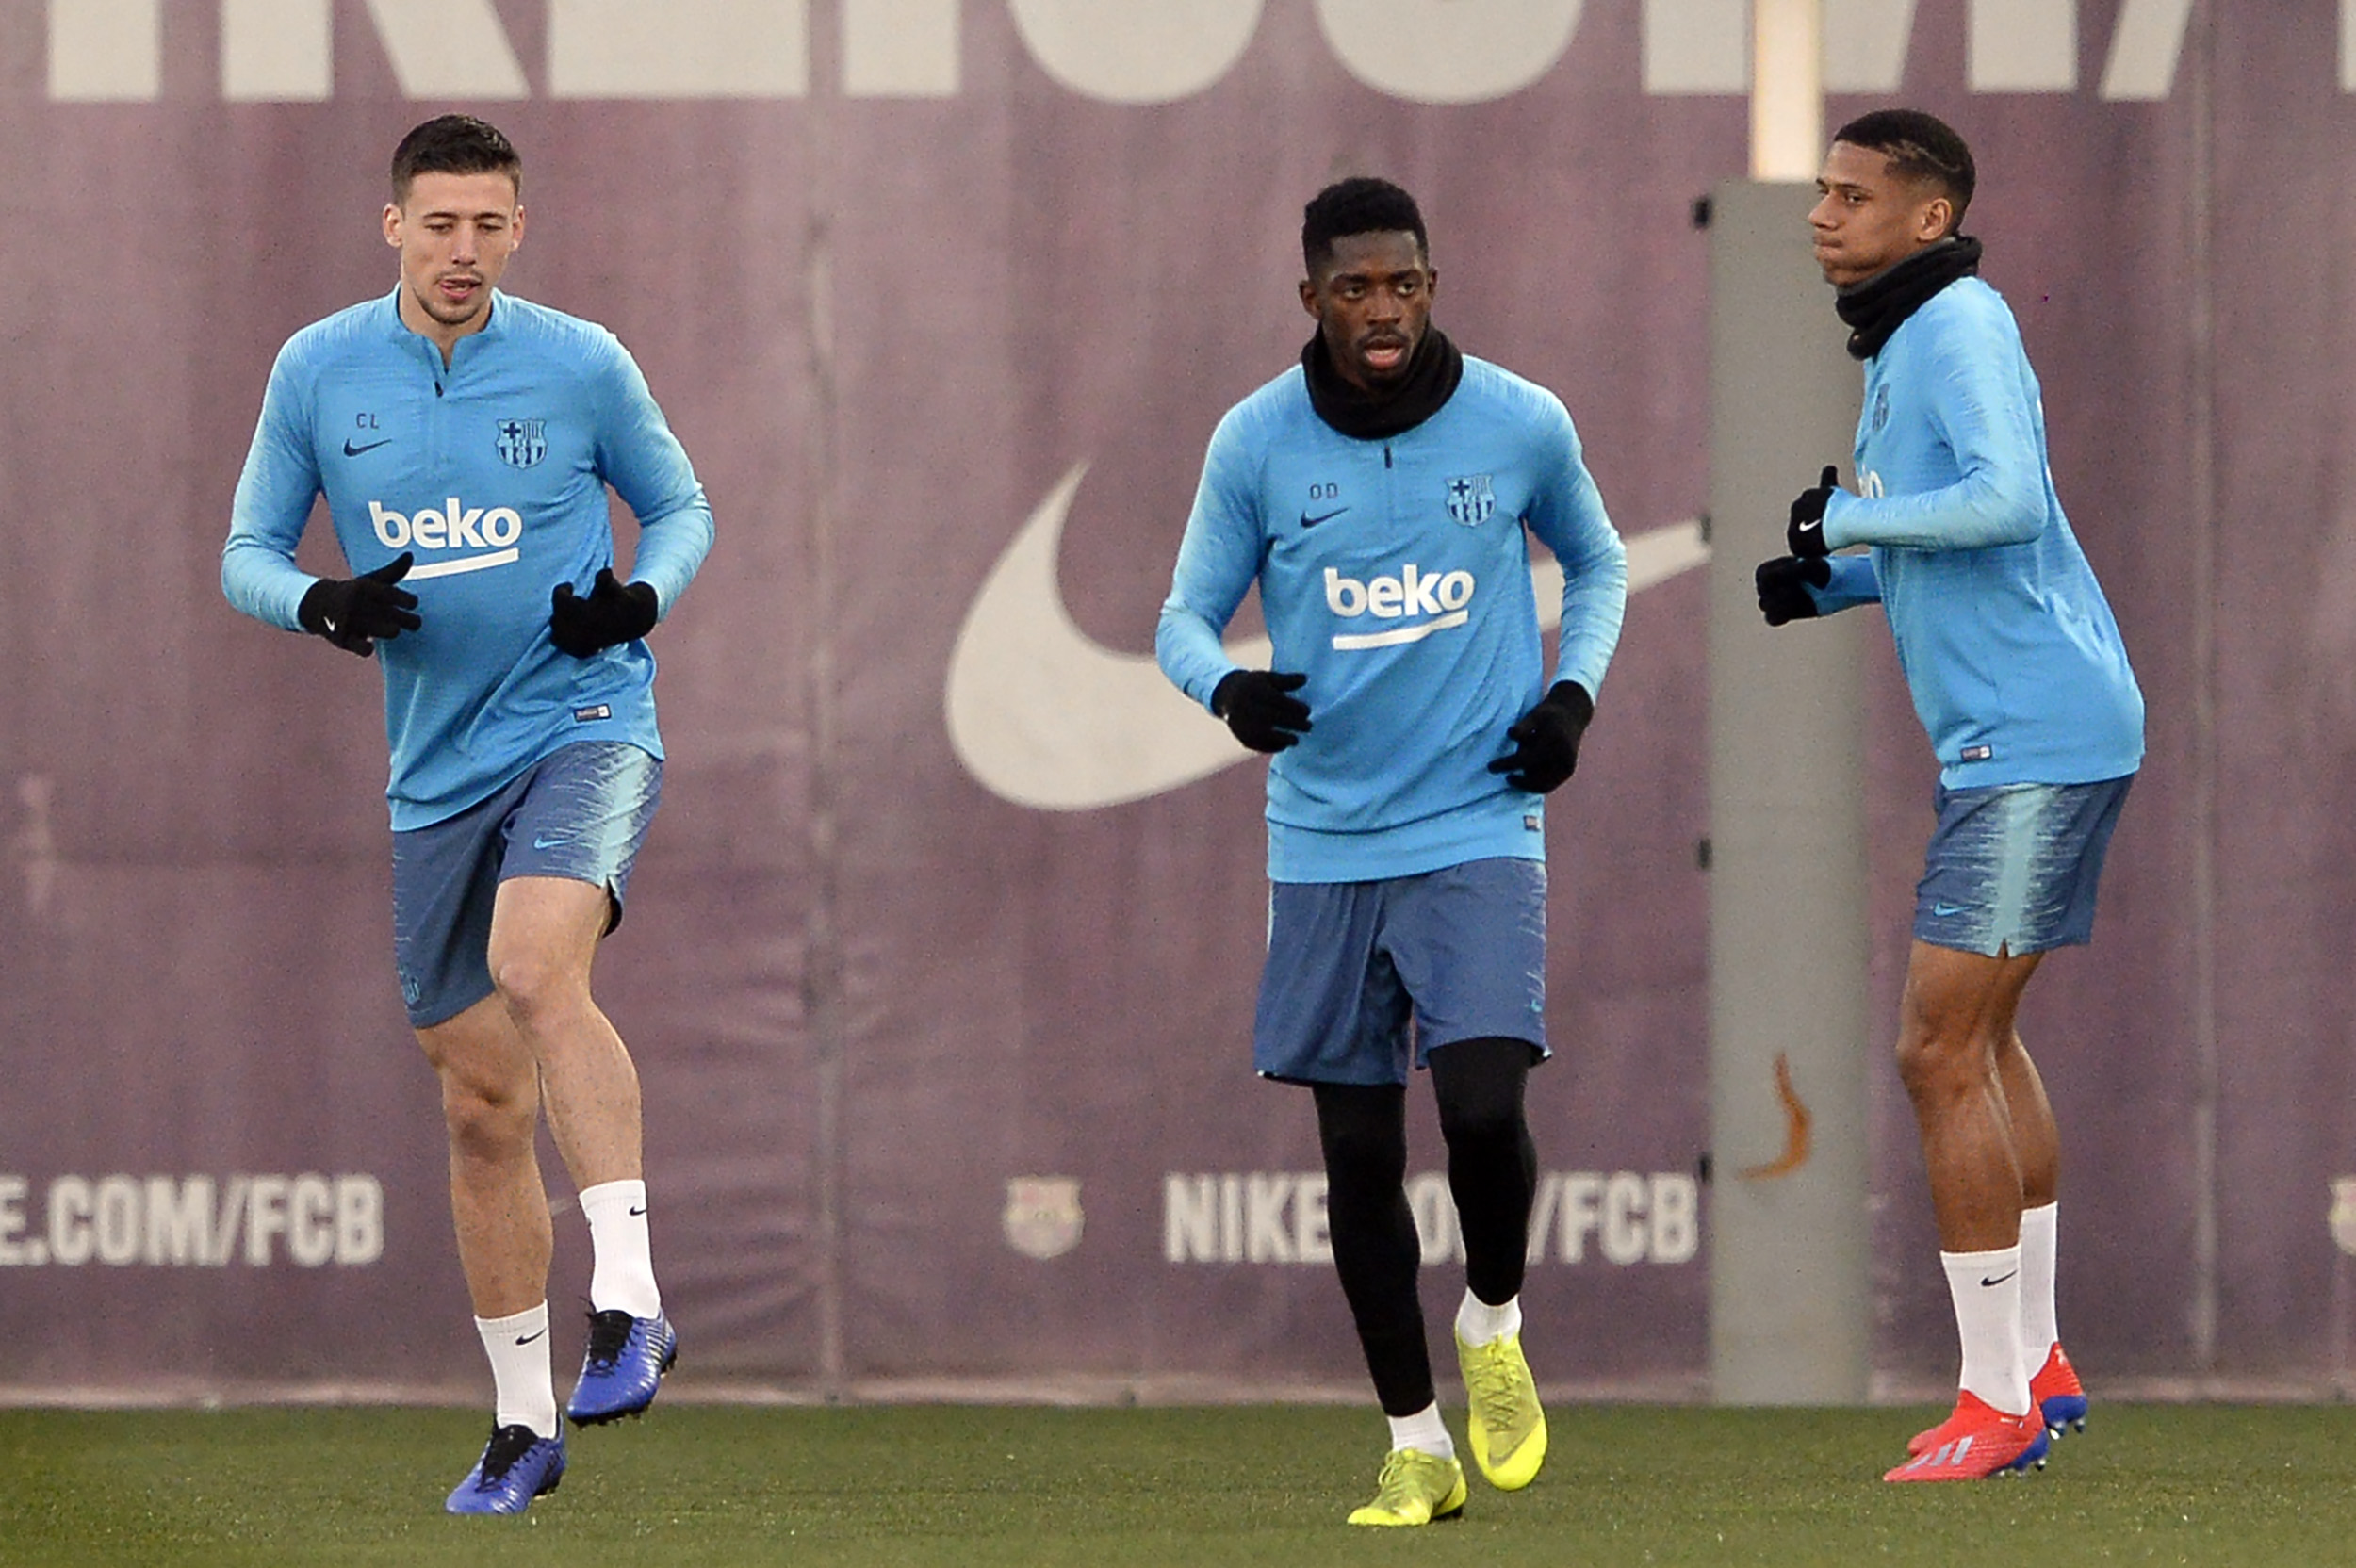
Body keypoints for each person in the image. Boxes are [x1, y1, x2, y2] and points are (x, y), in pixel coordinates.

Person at [221, 115, 713, 1515]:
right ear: (393, 226)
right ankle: (519, 1425)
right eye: (438, 223)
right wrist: (321, 600)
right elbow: (247, 550)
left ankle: (629, 1299)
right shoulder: (319, 369)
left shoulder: (579, 360)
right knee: (479, 1102)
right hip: (434, 767)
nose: (462, 250)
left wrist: (637, 597)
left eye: (489, 224)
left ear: (519, 228)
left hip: (585, 716)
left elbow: (679, 509)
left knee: (536, 967)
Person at [1157, 177, 1628, 1527]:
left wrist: (1570, 697)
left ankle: (1491, 1319)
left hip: (1479, 820)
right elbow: (1183, 618)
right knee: (1358, 1159)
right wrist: (1227, 692)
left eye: (1404, 284)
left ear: (1433, 286)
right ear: (1308, 295)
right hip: (1321, 843)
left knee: (1482, 1106)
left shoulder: (1521, 421)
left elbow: (1595, 566)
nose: (1382, 310)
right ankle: (1415, 1443)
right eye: (1355, 287)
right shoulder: (1255, 442)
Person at [1755, 108, 2144, 1482]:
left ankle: (1997, 1400)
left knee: (1934, 1052)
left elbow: (2008, 505)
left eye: (1854, 196)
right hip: (2039, 729)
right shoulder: (1916, 331)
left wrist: (1850, 522)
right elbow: (1961, 538)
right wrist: (1833, 579)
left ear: (1929, 219)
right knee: (1978, 1044)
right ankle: (2033, 1362)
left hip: (2033, 737)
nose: (1822, 212)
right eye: (1821, 191)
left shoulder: (1958, 323)